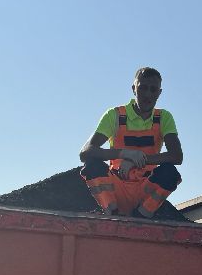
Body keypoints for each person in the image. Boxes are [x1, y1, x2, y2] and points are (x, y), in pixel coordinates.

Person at [79, 66, 184, 218]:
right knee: (92, 166)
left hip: (146, 188)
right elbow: (85, 152)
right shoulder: (114, 115)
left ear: (159, 93)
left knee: (170, 173)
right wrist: (125, 154)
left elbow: (177, 156)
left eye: (153, 90)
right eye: (143, 88)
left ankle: (142, 216)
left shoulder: (163, 118)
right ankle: (112, 212)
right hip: (117, 187)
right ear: (134, 88)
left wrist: (137, 160)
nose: (148, 94)